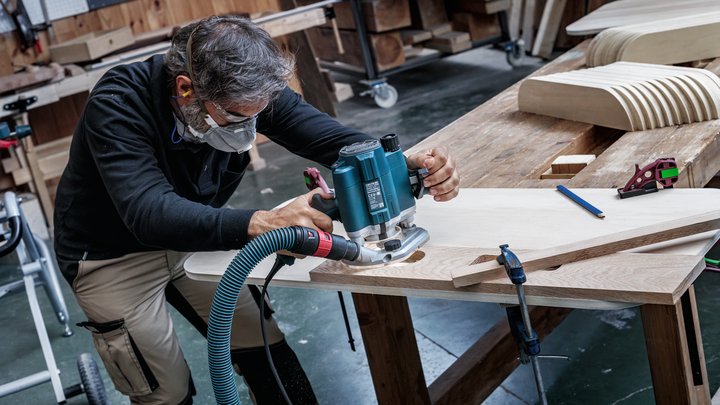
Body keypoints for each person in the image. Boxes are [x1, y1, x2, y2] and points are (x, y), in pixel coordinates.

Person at [54, 15, 460, 405]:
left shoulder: (249, 92)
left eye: (258, 114)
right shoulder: (118, 103)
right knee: (165, 390)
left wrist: (399, 164)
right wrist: (265, 223)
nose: (248, 130)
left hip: (198, 233)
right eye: (234, 117)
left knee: (266, 350)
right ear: (185, 89)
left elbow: (329, 138)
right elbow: (149, 214)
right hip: (110, 255)